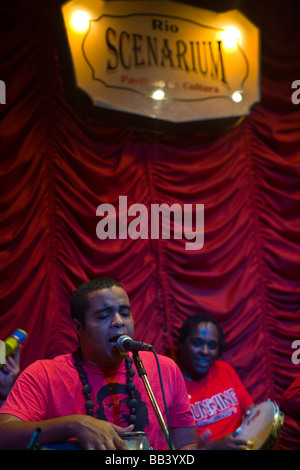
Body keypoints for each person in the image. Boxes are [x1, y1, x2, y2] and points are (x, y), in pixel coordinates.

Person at [0, 278, 200, 450]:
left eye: (125, 312)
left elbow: (186, 443)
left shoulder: (163, 367)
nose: (119, 322)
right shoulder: (43, 374)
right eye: (104, 315)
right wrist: (73, 425)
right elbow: (4, 435)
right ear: (79, 327)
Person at [176, 314, 254, 450]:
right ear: (182, 342)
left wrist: (256, 414)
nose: (205, 351)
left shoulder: (224, 370)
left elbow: (249, 409)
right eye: (197, 343)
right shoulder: (171, 386)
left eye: (212, 346)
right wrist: (212, 446)